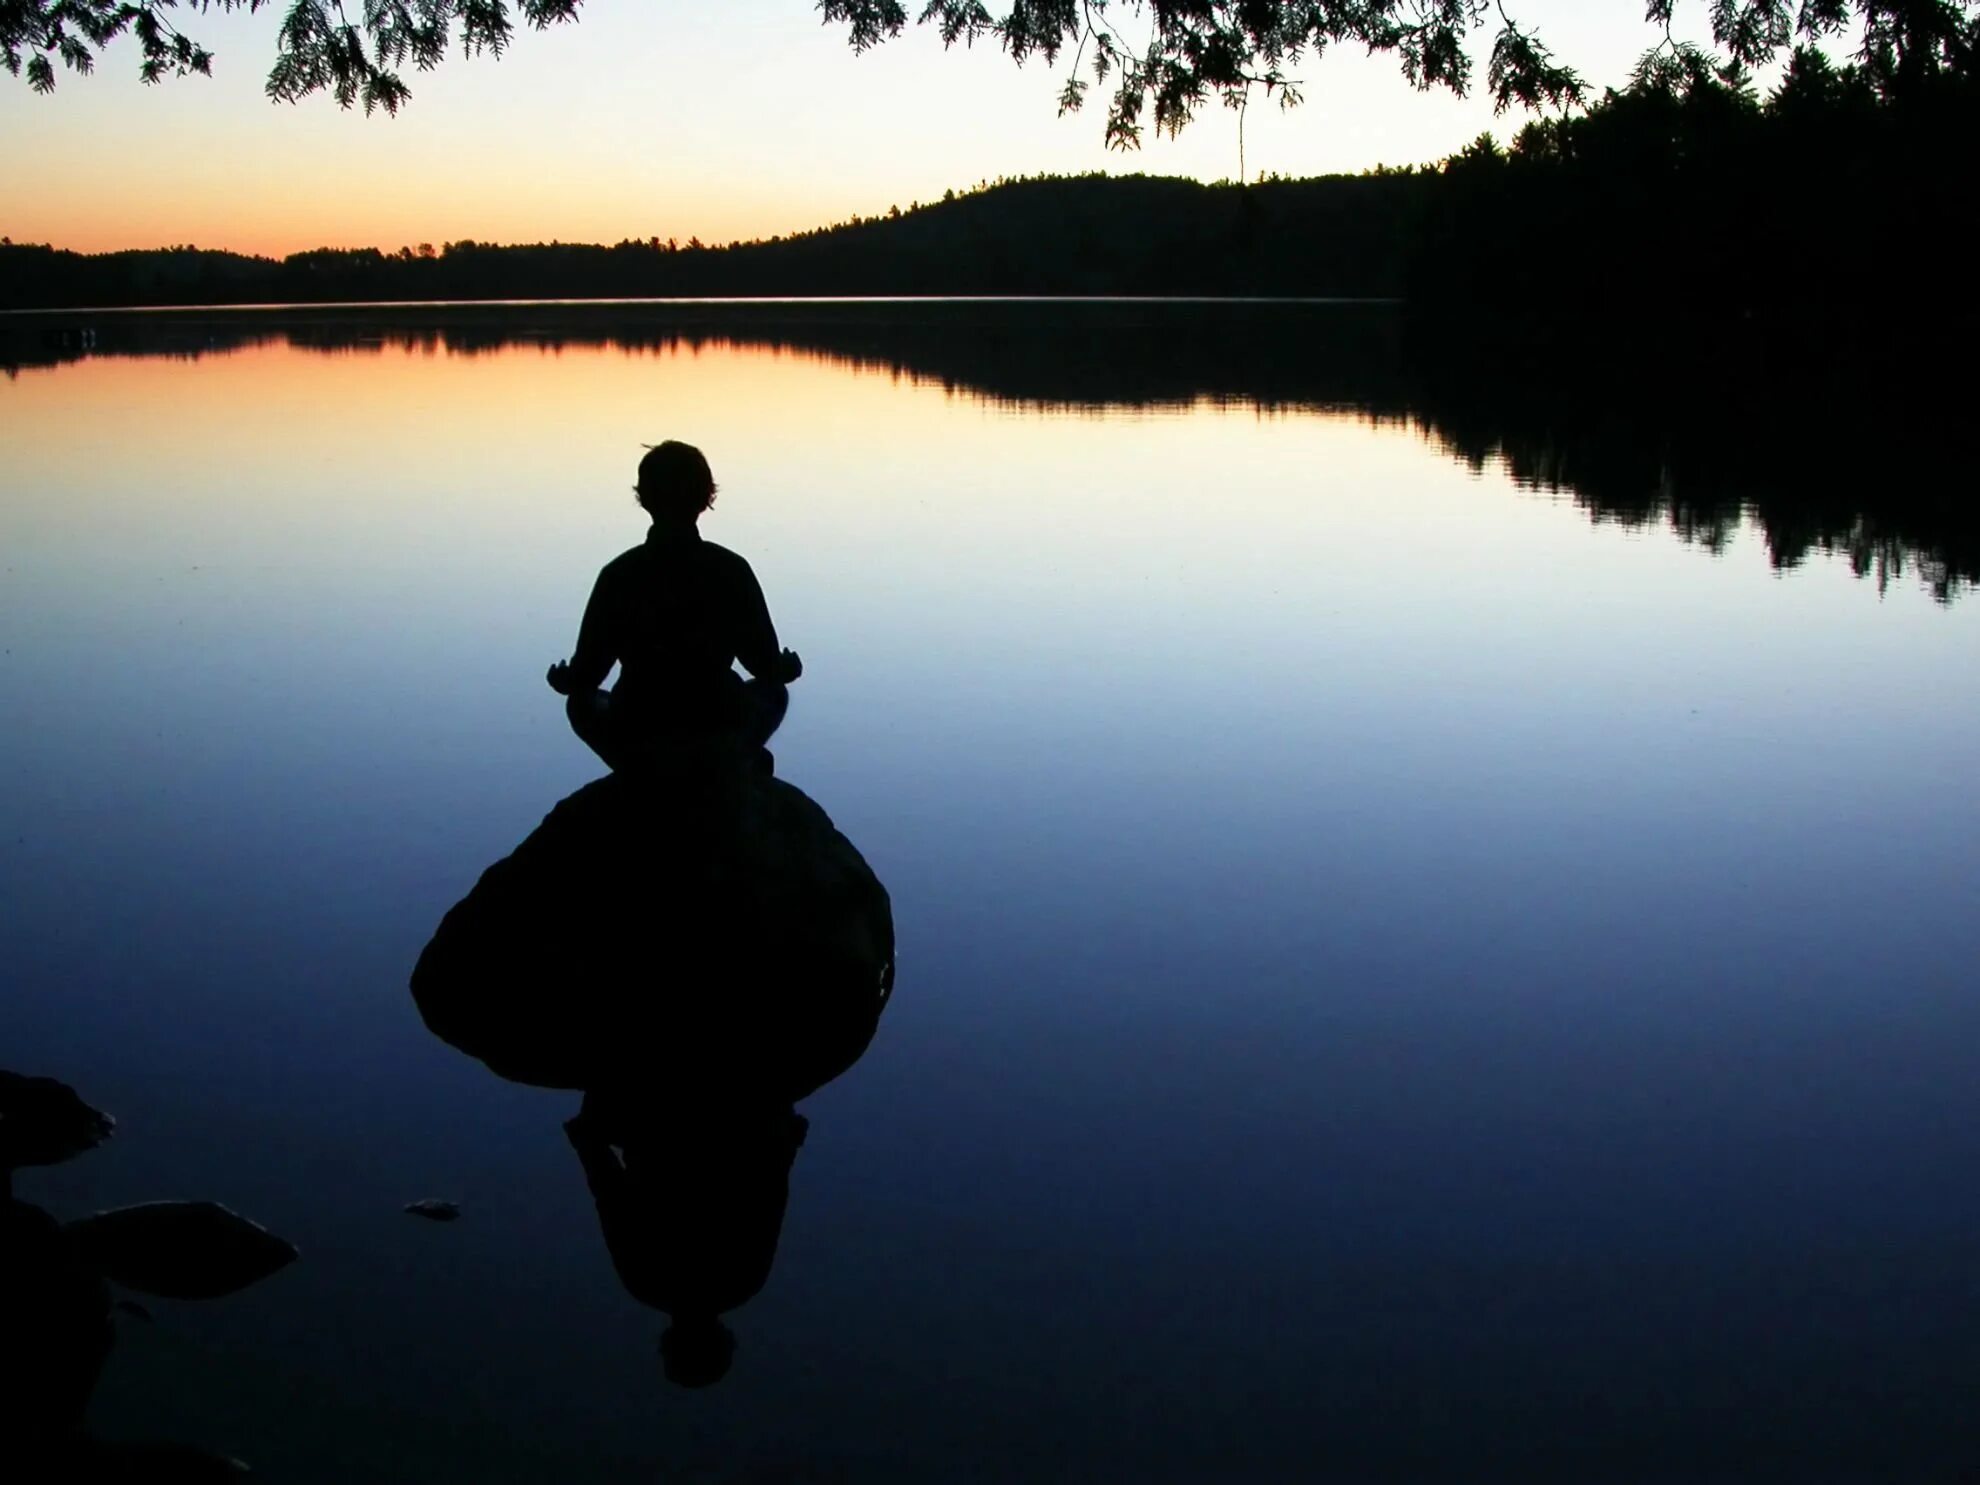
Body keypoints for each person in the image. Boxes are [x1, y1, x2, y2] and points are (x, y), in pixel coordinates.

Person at [546, 442, 801, 773]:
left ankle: (640, 771)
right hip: (716, 717)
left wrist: (565, 679)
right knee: (773, 693)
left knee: (582, 704)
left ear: (644, 498)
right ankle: (732, 758)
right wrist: (786, 669)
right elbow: (764, 667)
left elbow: (588, 675)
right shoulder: (730, 569)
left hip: (639, 720)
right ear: (706, 497)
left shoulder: (619, 574)